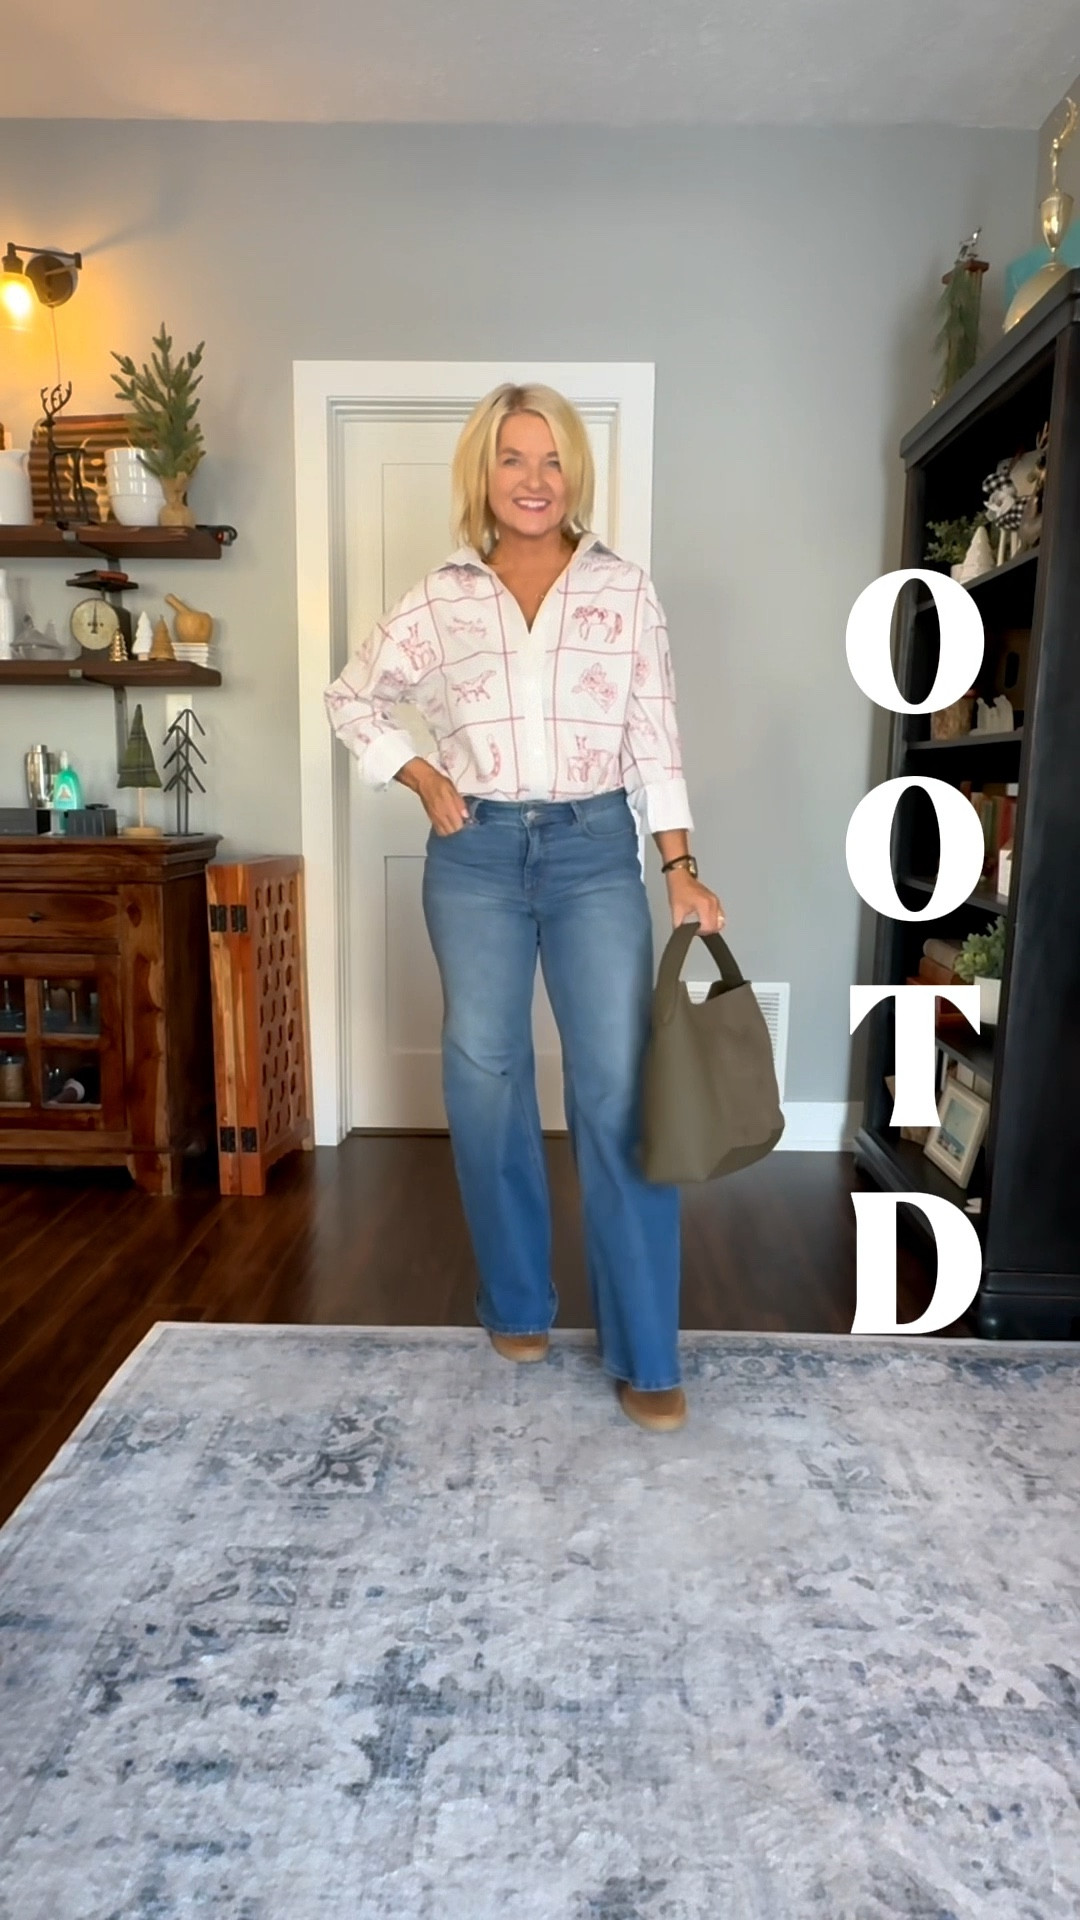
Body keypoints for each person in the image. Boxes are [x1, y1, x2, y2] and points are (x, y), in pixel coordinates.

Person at [324, 383, 724, 1432]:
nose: (535, 480)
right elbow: (349, 697)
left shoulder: (625, 592)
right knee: (485, 1072)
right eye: (513, 460)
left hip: (597, 850)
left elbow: (656, 736)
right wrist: (415, 772)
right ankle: (516, 1299)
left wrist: (680, 863)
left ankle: (646, 1348)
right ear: (485, 476)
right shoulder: (441, 597)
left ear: (573, 475)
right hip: (476, 854)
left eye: (552, 461)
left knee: (617, 1089)